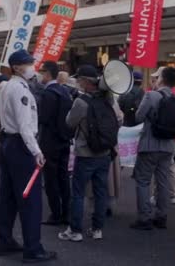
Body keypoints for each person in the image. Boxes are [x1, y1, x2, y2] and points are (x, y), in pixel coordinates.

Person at [0, 50, 56, 263]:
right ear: (16, 67)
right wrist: (37, 151)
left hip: (7, 143)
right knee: (30, 200)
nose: (32, 66)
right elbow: (24, 126)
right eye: (28, 63)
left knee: (7, 197)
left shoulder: (6, 87)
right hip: (21, 146)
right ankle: (33, 249)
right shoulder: (20, 90)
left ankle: (5, 241)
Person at [59, 65, 123, 242]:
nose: (77, 82)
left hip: (86, 153)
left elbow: (69, 122)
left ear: (86, 82)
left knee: (78, 192)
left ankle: (75, 230)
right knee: (101, 191)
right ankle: (97, 229)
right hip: (104, 152)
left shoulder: (81, 102)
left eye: (79, 80)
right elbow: (119, 118)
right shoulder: (108, 99)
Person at [130, 67, 175, 230]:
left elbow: (138, 116)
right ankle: (161, 216)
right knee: (163, 181)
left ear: (161, 79)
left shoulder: (151, 95)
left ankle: (144, 217)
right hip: (168, 145)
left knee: (143, 180)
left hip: (149, 145)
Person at [38, 61, 73, 225]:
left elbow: (43, 118)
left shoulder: (47, 94)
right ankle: (67, 212)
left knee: (51, 179)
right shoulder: (65, 92)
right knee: (63, 177)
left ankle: (56, 214)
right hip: (64, 139)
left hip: (50, 141)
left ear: (47, 74)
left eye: (41, 72)